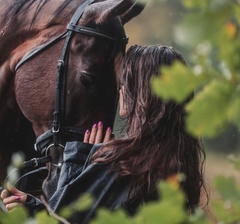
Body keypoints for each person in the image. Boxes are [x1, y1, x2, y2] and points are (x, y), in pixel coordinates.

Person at [1, 45, 207, 223]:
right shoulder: (178, 169)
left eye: (125, 83)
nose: (120, 91)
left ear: (141, 94)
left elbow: (62, 219)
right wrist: (33, 206)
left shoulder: (122, 166)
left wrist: (78, 162)